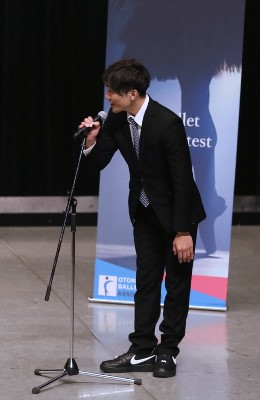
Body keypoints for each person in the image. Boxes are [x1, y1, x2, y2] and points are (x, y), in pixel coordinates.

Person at [79, 59, 206, 377]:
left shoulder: (167, 123)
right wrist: (91, 141)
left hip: (178, 214)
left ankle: (168, 351)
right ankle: (142, 349)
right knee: (146, 281)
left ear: (132, 93)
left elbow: (182, 179)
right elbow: (99, 162)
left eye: (112, 91)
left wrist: (182, 231)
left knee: (176, 284)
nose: (108, 97)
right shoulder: (117, 120)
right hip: (145, 211)